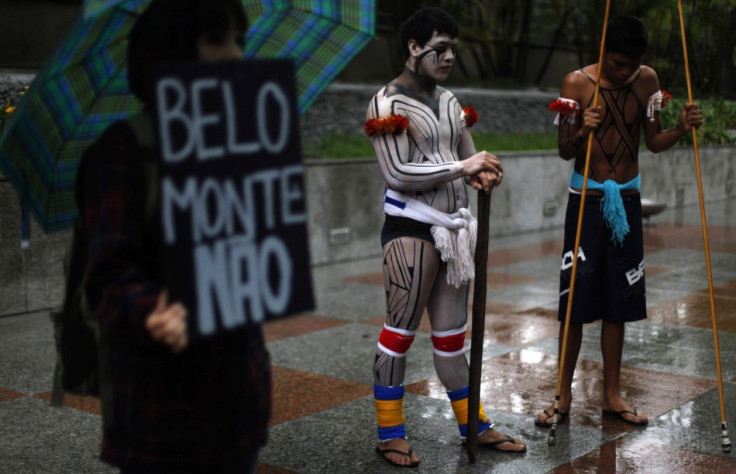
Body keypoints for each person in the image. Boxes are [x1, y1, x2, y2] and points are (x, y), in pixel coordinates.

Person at [77, 0, 271, 471]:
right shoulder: (124, 150)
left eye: (239, 42)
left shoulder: (230, 142)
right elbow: (105, 276)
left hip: (237, 399)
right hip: (163, 412)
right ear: (171, 51)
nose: (236, 55)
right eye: (217, 40)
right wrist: (155, 311)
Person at [366, 7, 526, 468]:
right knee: (399, 333)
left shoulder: (451, 102)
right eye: (440, 48)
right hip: (409, 230)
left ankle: (473, 424)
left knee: (451, 338)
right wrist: (463, 167)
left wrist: (484, 174)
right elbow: (397, 171)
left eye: (454, 48)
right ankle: (389, 432)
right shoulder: (386, 104)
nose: (450, 56)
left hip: (454, 231)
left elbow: (469, 160)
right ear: (414, 48)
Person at [535, 15, 703, 428]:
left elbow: (653, 141)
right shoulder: (576, 84)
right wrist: (581, 131)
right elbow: (563, 150)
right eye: (618, 64)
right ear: (602, 49)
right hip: (586, 200)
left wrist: (681, 129)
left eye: (632, 65)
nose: (625, 72)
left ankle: (611, 394)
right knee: (574, 303)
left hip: (627, 199)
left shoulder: (647, 81)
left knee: (619, 302)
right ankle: (562, 394)